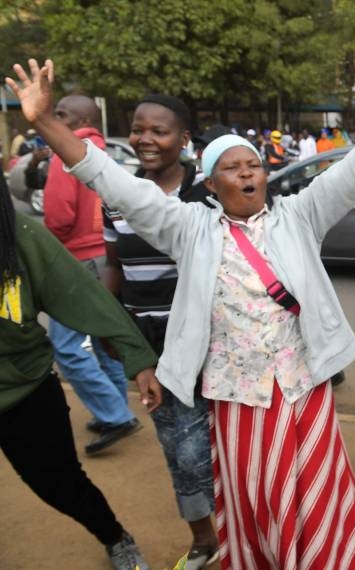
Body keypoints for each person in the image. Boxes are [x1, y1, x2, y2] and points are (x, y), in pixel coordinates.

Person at [8, 56, 355, 570]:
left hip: (303, 392)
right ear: (211, 185)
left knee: (319, 498)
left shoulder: (300, 215)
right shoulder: (189, 228)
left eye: (253, 164)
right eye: (231, 168)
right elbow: (113, 183)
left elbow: (354, 168)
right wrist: (46, 123)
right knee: (259, 497)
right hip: (236, 398)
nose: (247, 173)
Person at [0, 173, 161, 570]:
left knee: (59, 484)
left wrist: (136, 358)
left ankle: (114, 536)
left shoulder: (21, 238)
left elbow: (83, 296)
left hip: (25, 391)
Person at [102, 94, 218, 568]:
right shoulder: (117, 195)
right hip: (149, 348)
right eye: (138, 128)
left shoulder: (208, 193)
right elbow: (114, 268)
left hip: (212, 345)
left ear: (184, 140)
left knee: (204, 448)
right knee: (175, 445)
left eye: (160, 131)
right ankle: (206, 539)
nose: (146, 139)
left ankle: (236, 532)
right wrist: (110, 328)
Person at [29, 94, 141, 455]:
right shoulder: (102, 152)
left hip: (77, 257)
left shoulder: (68, 153)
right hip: (106, 255)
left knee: (66, 345)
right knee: (101, 336)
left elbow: (59, 216)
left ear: (80, 119)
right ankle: (115, 407)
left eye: (61, 114)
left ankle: (115, 413)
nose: (54, 118)